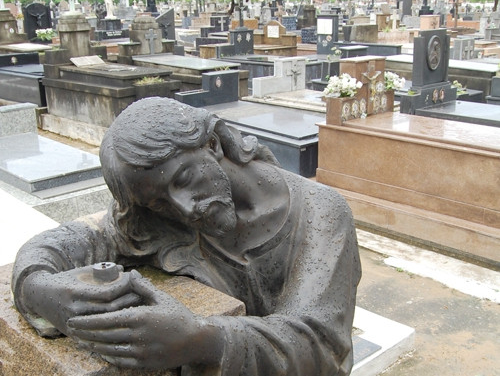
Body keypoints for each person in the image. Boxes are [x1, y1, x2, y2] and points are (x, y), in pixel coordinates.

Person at [12, 98, 361, 375]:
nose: (184, 209)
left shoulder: (320, 212)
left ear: (212, 144)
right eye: (160, 202)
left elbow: (321, 346)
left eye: (183, 179)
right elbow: (73, 240)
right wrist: (37, 286)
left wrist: (201, 340)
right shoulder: (162, 218)